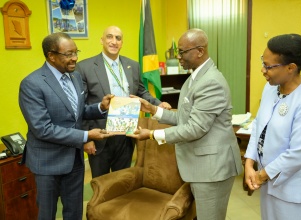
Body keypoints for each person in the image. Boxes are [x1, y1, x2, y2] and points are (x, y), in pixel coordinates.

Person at [127, 28, 242, 220]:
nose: (178, 57)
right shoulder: (194, 77)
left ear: (200, 51)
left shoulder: (211, 82)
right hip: (201, 166)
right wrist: (153, 110)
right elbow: (185, 117)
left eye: (182, 52)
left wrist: (152, 135)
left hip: (213, 169)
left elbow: (195, 128)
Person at [18, 32, 114, 220]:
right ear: (51, 56)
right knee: (47, 214)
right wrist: (86, 136)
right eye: (68, 54)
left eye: (75, 52)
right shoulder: (32, 84)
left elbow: (77, 113)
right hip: (47, 163)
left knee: (73, 212)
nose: (75, 58)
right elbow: (42, 128)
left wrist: (100, 107)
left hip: (74, 161)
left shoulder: (75, 77)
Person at [244, 34, 301, 219]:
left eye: (269, 66)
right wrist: (249, 163)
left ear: (291, 68)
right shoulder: (271, 88)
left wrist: (260, 175)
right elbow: (258, 126)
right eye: (262, 62)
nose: (262, 70)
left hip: (294, 191)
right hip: (268, 183)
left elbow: (298, 154)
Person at [75, 26, 171, 178]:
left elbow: (141, 91)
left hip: (127, 134)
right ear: (101, 40)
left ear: (122, 43)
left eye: (118, 38)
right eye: (109, 37)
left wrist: (157, 103)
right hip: (101, 135)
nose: (114, 42)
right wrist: (87, 138)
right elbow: (81, 105)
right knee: (101, 183)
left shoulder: (132, 65)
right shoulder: (85, 67)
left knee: (123, 180)